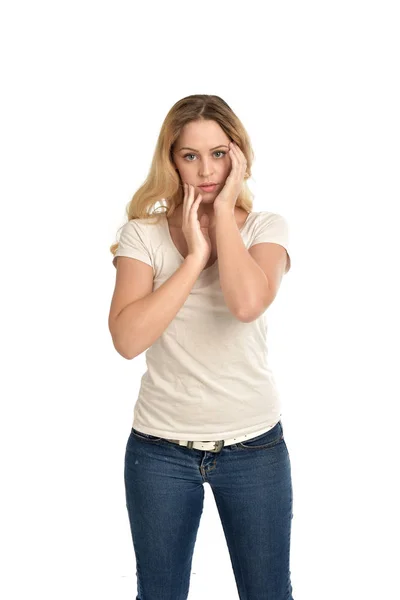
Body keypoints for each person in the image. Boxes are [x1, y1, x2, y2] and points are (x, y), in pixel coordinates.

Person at [109, 94, 294, 600]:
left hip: (254, 446)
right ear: (171, 159)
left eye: (218, 154)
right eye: (190, 155)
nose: (206, 170)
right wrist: (193, 259)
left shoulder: (264, 228)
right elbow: (127, 340)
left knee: (268, 593)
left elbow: (247, 303)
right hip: (159, 449)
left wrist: (225, 219)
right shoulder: (142, 236)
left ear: (238, 155)